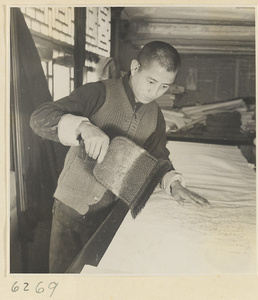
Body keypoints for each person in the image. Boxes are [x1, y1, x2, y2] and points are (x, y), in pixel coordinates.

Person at [30, 41, 210, 273]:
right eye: (151, 81)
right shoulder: (98, 92)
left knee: (96, 279)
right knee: (64, 279)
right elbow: (40, 117)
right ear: (135, 67)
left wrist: (174, 185)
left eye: (165, 86)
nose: (155, 93)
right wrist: (83, 127)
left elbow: (158, 158)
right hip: (72, 209)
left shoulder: (155, 115)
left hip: (110, 211)